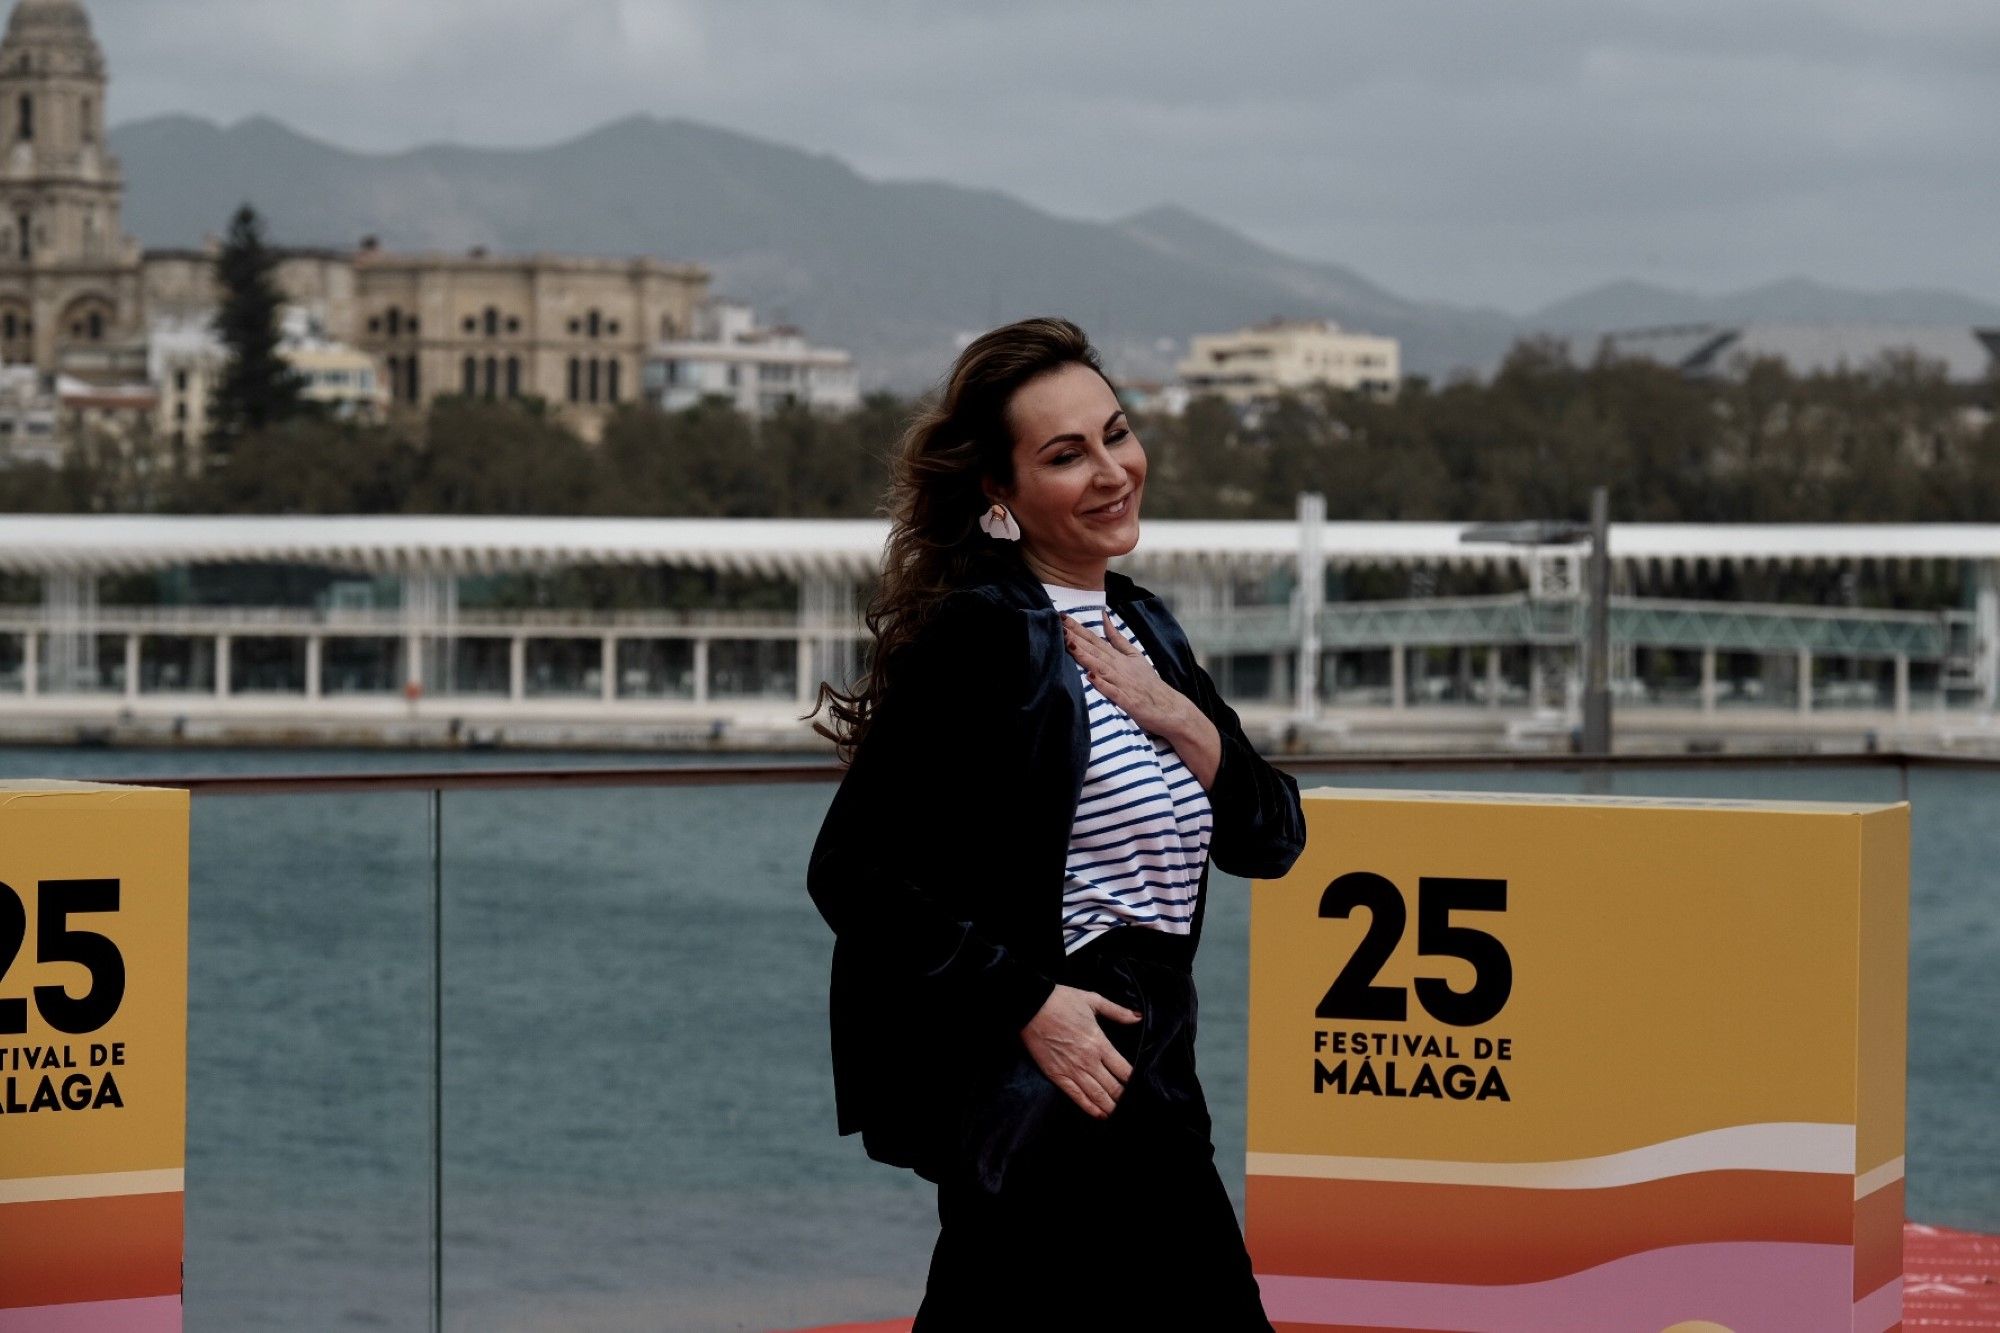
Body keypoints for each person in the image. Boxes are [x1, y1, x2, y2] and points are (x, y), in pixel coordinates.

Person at [805, 317, 1306, 1329]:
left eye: (1115, 434)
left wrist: (1187, 724)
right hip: (1046, 1092)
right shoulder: (984, 633)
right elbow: (849, 870)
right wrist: (1029, 1002)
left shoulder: (1147, 627)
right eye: (1064, 454)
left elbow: (1271, 838)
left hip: (1155, 1082)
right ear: (1000, 492)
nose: (1112, 470)